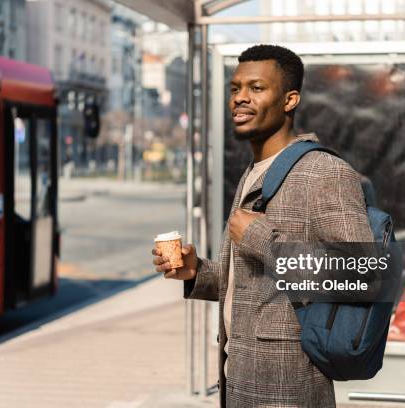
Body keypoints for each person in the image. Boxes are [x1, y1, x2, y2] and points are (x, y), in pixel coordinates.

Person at [152, 45, 374, 407]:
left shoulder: (323, 172)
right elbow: (252, 285)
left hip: (289, 391)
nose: (240, 98)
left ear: (289, 100)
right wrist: (197, 272)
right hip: (238, 384)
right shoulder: (254, 173)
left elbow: (360, 276)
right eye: (235, 88)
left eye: (256, 88)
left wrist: (260, 237)